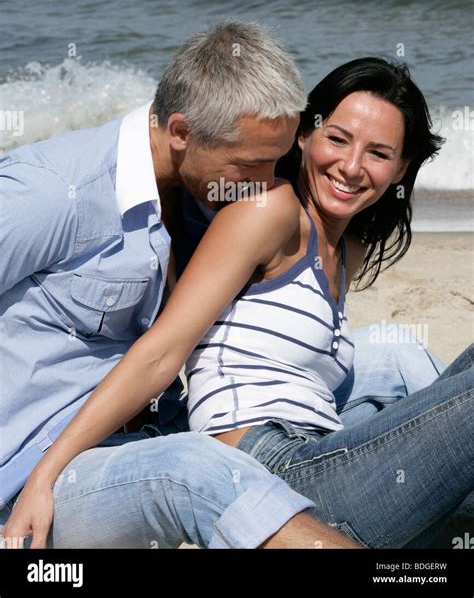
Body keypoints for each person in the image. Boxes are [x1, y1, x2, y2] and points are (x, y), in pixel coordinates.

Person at [5, 54, 469, 550]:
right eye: (337, 138)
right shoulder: (269, 210)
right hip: (271, 471)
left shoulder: (345, 248)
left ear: (401, 167)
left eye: (378, 153)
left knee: (403, 356)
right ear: (305, 137)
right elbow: (161, 354)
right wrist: (46, 472)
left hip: (322, 446)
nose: (351, 166)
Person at [0, 21, 349, 550]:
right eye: (250, 163)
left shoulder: (201, 193)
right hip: (31, 483)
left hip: (149, 429)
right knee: (195, 473)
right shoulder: (50, 194)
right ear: (182, 133)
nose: (268, 180)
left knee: (396, 358)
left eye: (277, 159)